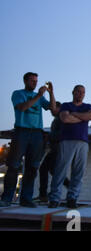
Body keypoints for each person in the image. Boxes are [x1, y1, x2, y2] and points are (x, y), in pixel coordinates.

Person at [0, 72, 56, 208]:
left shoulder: (40, 98)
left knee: (32, 167)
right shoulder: (18, 94)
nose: (35, 83)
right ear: (25, 81)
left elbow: (53, 109)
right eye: (32, 81)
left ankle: (26, 198)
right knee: (13, 165)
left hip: (37, 133)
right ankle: (7, 198)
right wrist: (38, 95)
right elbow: (23, 107)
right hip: (22, 132)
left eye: (36, 81)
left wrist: (51, 93)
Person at [48, 85, 91, 209]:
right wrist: (81, 117)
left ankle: (72, 198)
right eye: (78, 91)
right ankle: (54, 198)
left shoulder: (88, 106)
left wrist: (75, 114)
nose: (80, 94)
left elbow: (90, 116)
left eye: (83, 92)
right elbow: (65, 118)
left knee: (78, 172)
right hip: (67, 141)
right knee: (60, 170)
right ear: (73, 92)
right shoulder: (66, 105)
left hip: (83, 142)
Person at [38, 102, 70, 202]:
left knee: (45, 169)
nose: (51, 111)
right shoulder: (57, 119)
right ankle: (69, 186)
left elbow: (64, 133)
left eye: (53, 109)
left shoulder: (62, 118)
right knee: (54, 171)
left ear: (59, 108)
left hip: (58, 148)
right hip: (55, 148)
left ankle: (43, 195)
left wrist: (50, 136)